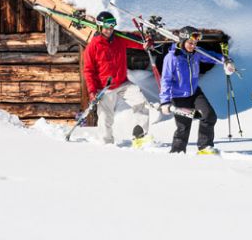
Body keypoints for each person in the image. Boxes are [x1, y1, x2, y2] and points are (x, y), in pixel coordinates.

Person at [83, 11, 156, 145]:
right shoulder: (92, 46)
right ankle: (106, 144)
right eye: (106, 26)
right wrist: (92, 91)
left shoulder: (120, 39)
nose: (109, 29)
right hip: (104, 88)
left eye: (112, 26)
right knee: (106, 118)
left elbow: (138, 42)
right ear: (99, 27)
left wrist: (147, 42)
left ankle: (139, 135)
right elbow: (88, 71)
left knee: (141, 101)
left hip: (123, 83)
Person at [159, 26, 235, 154]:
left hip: (194, 93)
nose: (193, 45)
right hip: (178, 96)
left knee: (209, 116)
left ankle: (205, 147)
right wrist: (165, 101)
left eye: (195, 43)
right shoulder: (172, 57)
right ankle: (176, 153)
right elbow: (165, 80)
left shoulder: (196, 53)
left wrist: (226, 61)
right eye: (190, 43)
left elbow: (212, 57)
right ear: (182, 41)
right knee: (183, 128)